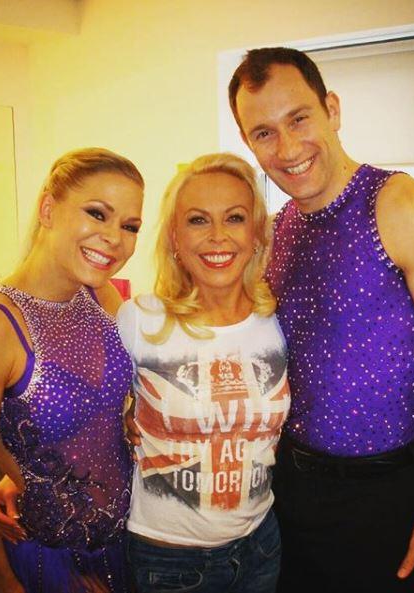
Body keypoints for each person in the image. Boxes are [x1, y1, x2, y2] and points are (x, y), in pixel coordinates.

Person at [227, 47, 414, 593]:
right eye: (263, 133)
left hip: (383, 496)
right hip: (287, 488)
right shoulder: (277, 232)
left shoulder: (408, 208)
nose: (287, 148)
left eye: (299, 118)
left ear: (331, 109)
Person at [0, 148, 144, 593]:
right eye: (97, 213)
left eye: (129, 226)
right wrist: (1, 582)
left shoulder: (102, 298)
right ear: (49, 208)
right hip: (48, 558)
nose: (114, 237)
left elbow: (95, 412)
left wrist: (131, 419)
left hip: (129, 542)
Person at [117, 153, 290, 593]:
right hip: (169, 559)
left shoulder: (277, 319)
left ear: (255, 234)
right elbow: (81, 410)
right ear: (175, 237)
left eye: (234, 218)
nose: (217, 237)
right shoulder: (141, 321)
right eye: (198, 220)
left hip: (261, 544)